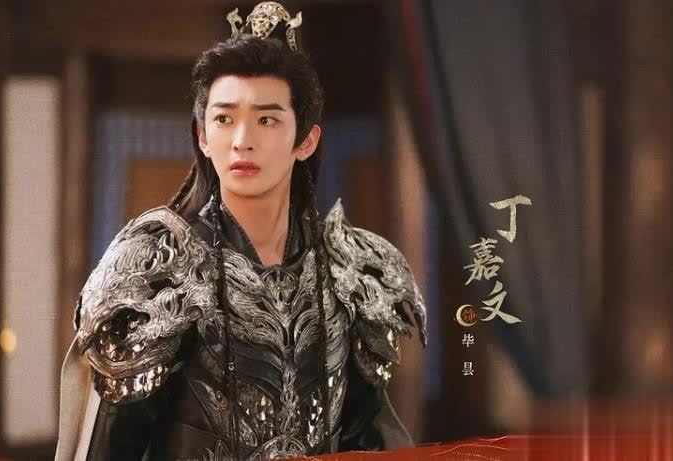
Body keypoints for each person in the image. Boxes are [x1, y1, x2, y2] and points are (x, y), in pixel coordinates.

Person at [54, 2, 426, 459]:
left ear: (306, 139)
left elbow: (374, 433)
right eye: (224, 119)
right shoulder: (158, 268)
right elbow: (110, 449)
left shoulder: (349, 268)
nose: (242, 140)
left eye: (266, 119)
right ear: (203, 137)